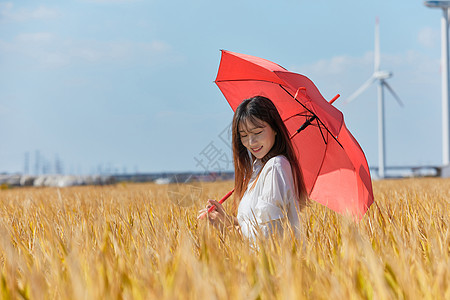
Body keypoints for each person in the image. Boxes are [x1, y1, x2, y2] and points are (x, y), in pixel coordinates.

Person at [197, 96, 308, 240]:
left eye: (257, 132)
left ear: (275, 128)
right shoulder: (259, 169)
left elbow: (268, 238)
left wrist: (226, 226)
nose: (251, 142)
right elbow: (256, 224)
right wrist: (228, 220)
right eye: (244, 135)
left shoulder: (275, 167)